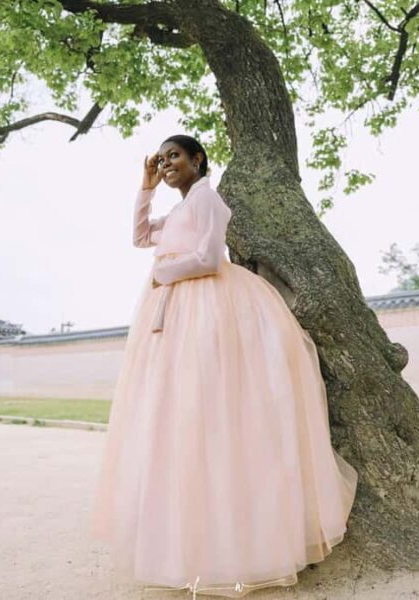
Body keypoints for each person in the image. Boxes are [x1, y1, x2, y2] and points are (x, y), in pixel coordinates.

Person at [92, 135, 358, 597]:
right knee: (181, 416)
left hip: (208, 305)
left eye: (174, 155)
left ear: (197, 160)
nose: (166, 162)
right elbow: (139, 237)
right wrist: (146, 186)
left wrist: (164, 273)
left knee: (218, 411)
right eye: (161, 157)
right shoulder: (178, 210)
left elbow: (211, 258)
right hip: (176, 311)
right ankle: (193, 543)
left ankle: (240, 546)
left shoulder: (208, 199)